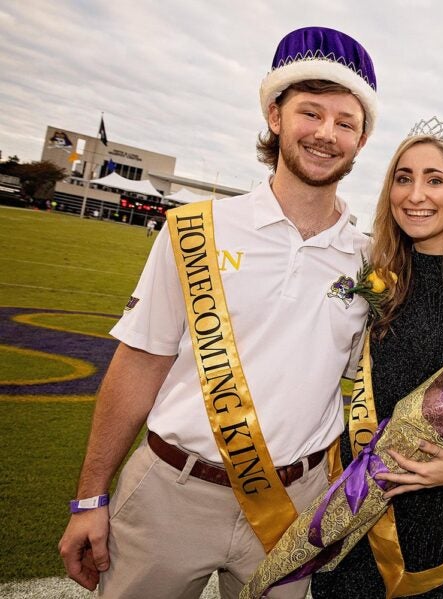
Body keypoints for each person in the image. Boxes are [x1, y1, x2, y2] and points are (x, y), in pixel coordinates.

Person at [58, 26, 379, 599]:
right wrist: (90, 497)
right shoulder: (194, 229)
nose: (326, 134)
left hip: (291, 510)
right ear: (275, 116)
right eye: (311, 113)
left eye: (346, 122)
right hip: (169, 493)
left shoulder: (372, 262)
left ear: (360, 141)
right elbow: (139, 363)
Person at [311, 118, 443, 598]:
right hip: (351, 495)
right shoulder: (377, 279)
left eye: (435, 179)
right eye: (403, 178)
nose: (416, 194)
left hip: (439, 515)